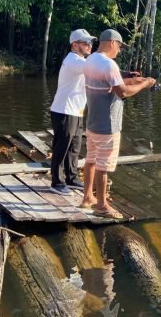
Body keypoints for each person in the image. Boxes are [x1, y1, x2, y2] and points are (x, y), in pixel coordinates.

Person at [80, 29, 156, 218]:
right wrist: (145, 84)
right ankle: (102, 205)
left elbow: (112, 83)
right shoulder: (109, 64)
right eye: (120, 46)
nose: (120, 50)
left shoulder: (90, 60)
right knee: (103, 165)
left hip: (92, 123)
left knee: (91, 160)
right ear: (113, 42)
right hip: (108, 125)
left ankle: (87, 198)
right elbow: (122, 92)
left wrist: (136, 79)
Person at [49, 29, 96, 196]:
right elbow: (98, 68)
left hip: (76, 111)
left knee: (74, 147)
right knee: (62, 146)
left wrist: (126, 75)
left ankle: (71, 177)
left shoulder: (82, 61)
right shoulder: (73, 61)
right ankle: (57, 182)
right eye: (85, 43)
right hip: (64, 111)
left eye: (90, 42)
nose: (89, 45)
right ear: (74, 45)